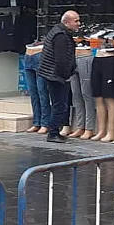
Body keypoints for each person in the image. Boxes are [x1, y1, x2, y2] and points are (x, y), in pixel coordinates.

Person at [37, 11, 80, 143]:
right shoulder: (61, 36)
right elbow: (61, 59)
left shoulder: (58, 32)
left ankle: (54, 131)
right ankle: (53, 133)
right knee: (59, 105)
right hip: (56, 76)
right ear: (67, 22)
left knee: (59, 104)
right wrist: (66, 75)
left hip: (52, 74)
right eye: (76, 21)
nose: (79, 24)